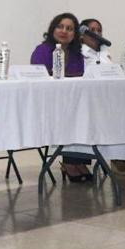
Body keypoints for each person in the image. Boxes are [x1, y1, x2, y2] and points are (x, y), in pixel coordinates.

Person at [29, 13, 92, 181]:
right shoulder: (42, 50)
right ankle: (70, 161)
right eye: (60, 27)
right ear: (53, 29)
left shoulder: (76, 53)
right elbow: (39, 77)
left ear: (75, 34)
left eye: (69, 29)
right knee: (73, 115)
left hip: (71, 102)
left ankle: (79, 160)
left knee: (84, 113)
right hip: (48, 104)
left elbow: (80, 76)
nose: (64, 31)